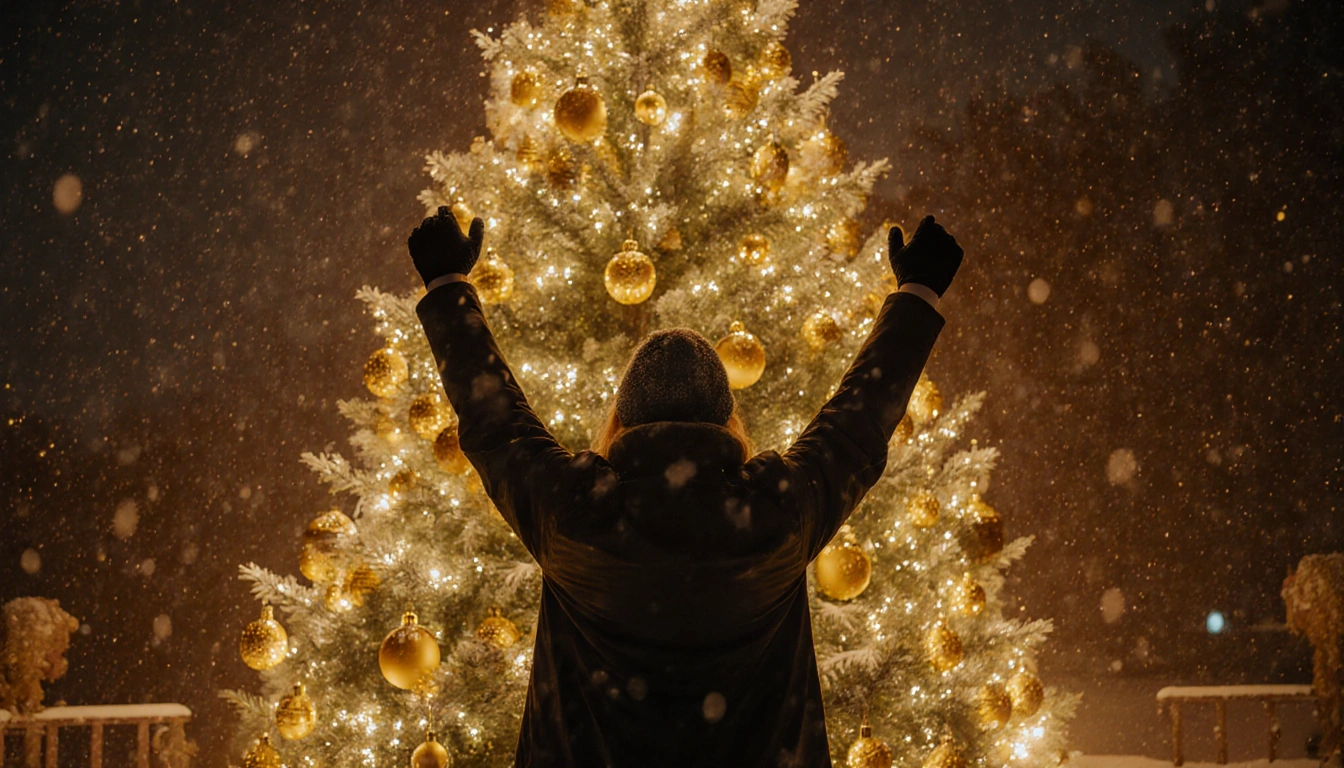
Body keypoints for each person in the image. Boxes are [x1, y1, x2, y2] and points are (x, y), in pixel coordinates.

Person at [409, 208, 962, 768]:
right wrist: (917, 292)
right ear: (728, 420)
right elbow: (855, 427)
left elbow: (496, 422)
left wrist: (448, 284)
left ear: (621, 419)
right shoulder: (777, 514)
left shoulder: (574, 512)